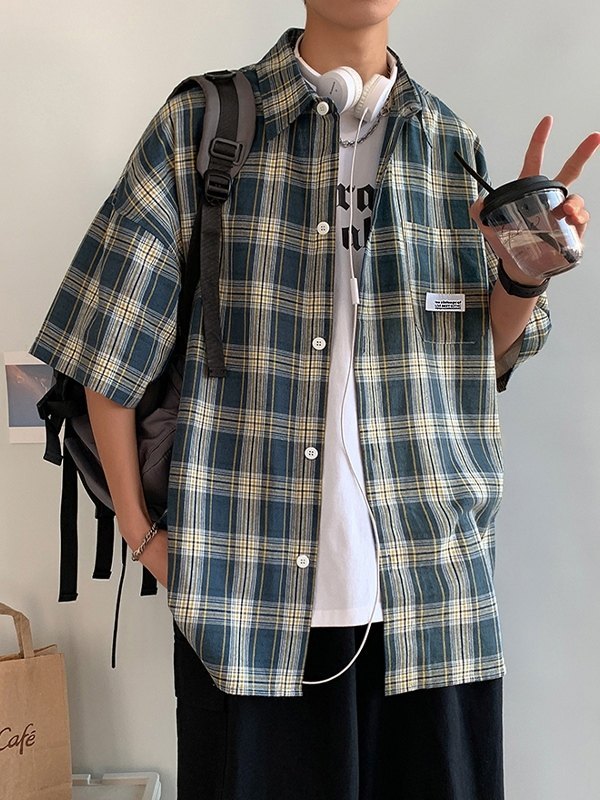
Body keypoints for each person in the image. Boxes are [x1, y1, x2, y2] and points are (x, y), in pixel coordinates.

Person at [29, 1, 599, 798]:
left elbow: (481, 356)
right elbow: (107, 342)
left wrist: (522, 274)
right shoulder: (204, 126)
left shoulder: (448, 143)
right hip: (246, 605)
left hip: (433, 599)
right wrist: (139, 528)